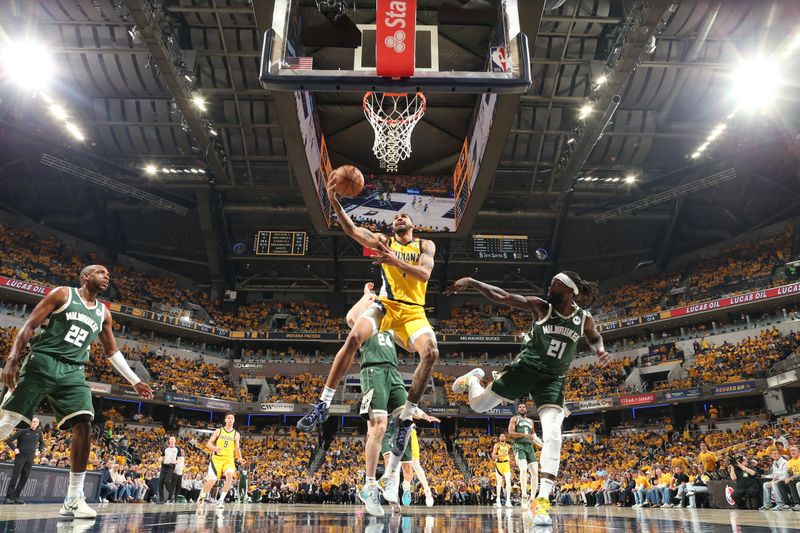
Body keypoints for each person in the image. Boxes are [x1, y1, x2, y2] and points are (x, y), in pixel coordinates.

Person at [445, 271, 607, 525]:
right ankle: (474, 379)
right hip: (525, 369)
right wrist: (474, 282)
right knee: (478, 406)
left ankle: (540, 502)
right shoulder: (541, 307)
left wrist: (600, 351)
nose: (549, 287)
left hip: (553, 380)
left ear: (570, 291)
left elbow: (594, 336)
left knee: (553, 434)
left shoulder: (584, 319)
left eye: (555, 284)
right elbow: (504, 296)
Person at [298, 178, 438, 473]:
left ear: (412, 224)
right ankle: (323, 403)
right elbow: (351, 229)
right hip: (386, 306)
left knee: (431, 353)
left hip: (413, 312)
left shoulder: (425, 244)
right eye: (396, 217)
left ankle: (407, 418)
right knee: (354, 337)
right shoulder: (382, 241)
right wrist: (335, 201)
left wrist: (394, 261)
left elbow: (424, 276)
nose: (399, 218)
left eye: (404, 216)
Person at [0, 265, 153, 519]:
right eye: (101, 272)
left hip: (73, 371)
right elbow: (29, 325)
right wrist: (13, 359)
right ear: (86, 277)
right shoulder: (62, 294)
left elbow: (111, 351)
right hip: (43, 361)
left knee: (84, 424)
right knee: (7, 423)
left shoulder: (103, 313)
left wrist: (135, 380)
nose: (107, 276)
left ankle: (73, 499)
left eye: (108, 274)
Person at [343, 282, 438, 516]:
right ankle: (370, 485)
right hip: (372, 371)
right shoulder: (366, 321)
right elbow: (349, 318)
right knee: (379, 426)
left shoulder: (389, 323)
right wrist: (366, 296)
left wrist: (420, 333)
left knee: (406, 422)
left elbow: (408, 344)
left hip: (394, 372)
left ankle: (391, 478)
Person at [196, 413, 242, 511]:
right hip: (217, 459)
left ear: (234, 421)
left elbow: (237, 448)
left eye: (232, 418)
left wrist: (240, 458)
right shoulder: (219, 431)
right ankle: (202, 494)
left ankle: (221, 500)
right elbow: (208, 444)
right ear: (225, 420)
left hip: (229, 459)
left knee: (230, 475)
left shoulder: (236, 434)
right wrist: (214, 448)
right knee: (212, 480)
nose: (230, 419)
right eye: (228, 418)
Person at [507, 403, 542, 505]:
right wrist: (524, 435)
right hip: (519, 445)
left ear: (526, 409)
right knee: (523, 469)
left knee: (535, 473)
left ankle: (532, 497)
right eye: (520, 407)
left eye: (523, 407)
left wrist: (544, 446)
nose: (521, 408)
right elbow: (511, 433)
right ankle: (524, 495)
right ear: (518, 410)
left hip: (529, 447)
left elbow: (534, 437)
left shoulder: (530, 421)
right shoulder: (514, 419)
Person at [5, 416, 44, 504]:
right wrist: (14, 448)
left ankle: (16, 497)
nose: (34, 423)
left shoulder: (39, 433)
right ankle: (8, 497)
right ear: (31, 422)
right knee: (15, 476)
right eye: (33, 421)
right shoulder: (22, 431)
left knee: (24, 477)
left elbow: (42, 443)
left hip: (30, 458)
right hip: (20, 456)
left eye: (36, 422)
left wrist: (39, 450)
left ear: (38, 424)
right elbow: (9, 440)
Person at [159, 436, 183, 503]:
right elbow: (162, 456)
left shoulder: (177, 448)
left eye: (173, 439)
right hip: (164, 466)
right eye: (171, 439)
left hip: (171, 467)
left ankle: (171, 493)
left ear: (175, 441)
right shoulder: (166, 449)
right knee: (160, 482)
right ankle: (161, 499)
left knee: (167, 481)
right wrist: (160, 460)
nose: (172, 440)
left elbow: (180, 458)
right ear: (169, 441)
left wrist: (176, 461)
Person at [492, 434, 513, 508]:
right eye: (500, 436)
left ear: (505, 438)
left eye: (503, 436)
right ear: (499, 438)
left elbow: (507, 455)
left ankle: (508, 500)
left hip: (506, 464)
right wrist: (501, 455)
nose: (502, 437)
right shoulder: (497, 445)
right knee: (499, 483)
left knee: (508, 482)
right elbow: (493, 456)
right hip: (499, 465)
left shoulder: (508, 446)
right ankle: (498, 499)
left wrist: (509, 459)